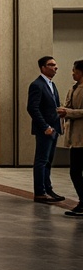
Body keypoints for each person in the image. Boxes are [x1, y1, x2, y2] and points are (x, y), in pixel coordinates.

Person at [27, 55, 65, 203]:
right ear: (43, 67)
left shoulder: (51, 84)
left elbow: (53, 107)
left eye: (55, 65)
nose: (55, 67)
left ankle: (48, 189)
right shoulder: (37, 85)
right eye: (51, 65)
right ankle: (40, 193)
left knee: (48, 161)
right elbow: (32, 108)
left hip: (54, 128)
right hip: (45, 130)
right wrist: (45, 127)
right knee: (41, 161)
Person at [58, 59, 83, 217]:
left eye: (74, 70)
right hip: (75, 137)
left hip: (81, 137)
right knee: (75, 171)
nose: (72, 73)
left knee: (75, 171)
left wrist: (69, 113)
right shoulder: (74, 88)